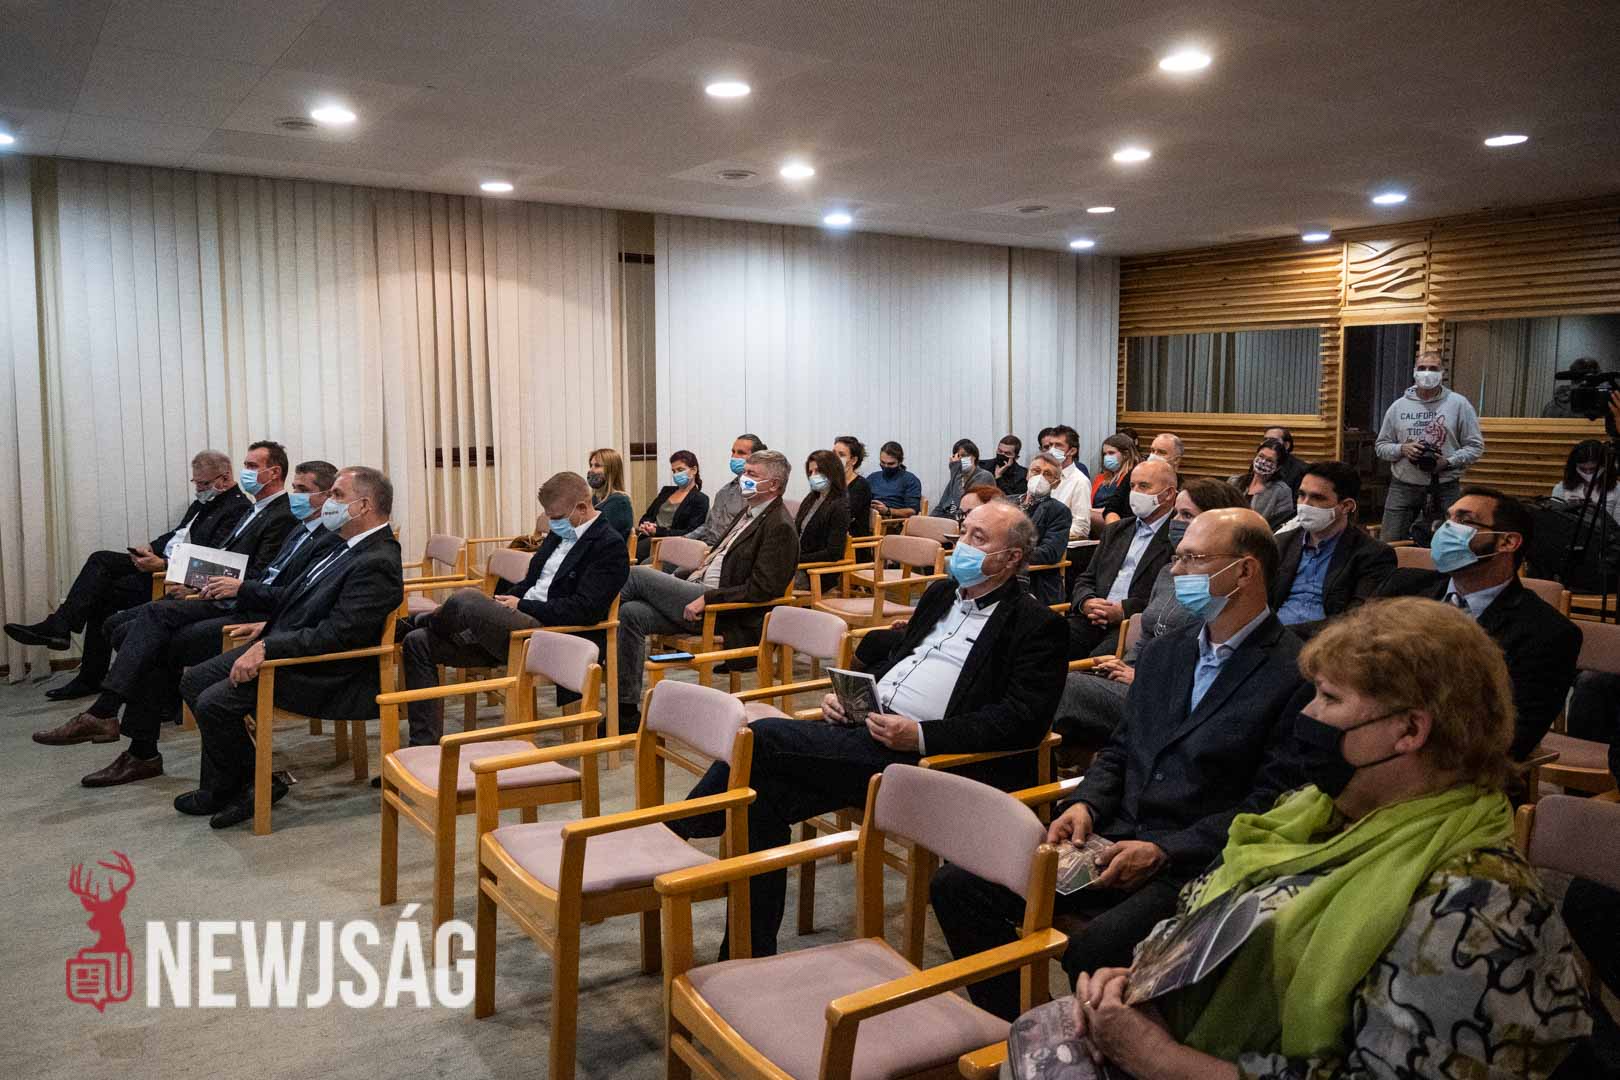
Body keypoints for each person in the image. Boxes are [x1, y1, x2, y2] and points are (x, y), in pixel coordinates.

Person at [1066, 598, 1591, 1079]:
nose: (1307, 715)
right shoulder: (1310, 811)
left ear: (1410, 730)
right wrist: (1147, 981)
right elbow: (1212, 928)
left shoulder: (1479, 906)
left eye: (1329, 698)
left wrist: (1160, 1060)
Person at [933, 507, 1310, 1021]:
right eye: (1178, 557)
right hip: (1112, 834)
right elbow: (1121, 746)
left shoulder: (1293, 673)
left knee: (1094, 949)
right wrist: (1086, 803)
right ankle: (1018, 1024)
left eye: (1193, 559)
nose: (1176, 570)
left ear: (1244, 571)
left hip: (1195, 862)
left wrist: (1165, 850)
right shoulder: (1166, 652)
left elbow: (1273, 803)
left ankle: (1099, 1042)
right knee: (958, 885)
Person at [675, 498, 1066, 958]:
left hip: (930, 760)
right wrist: (850, 700)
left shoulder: (1036, 625)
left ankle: (676, 833)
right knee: (762, 800)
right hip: (870, 731)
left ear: (1011, 558)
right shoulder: (942, 594)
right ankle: (745, 953)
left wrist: (920, 735)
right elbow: (901, 660)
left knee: (762, 735)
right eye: (963, 532)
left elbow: (1022, 721)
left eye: (977, 538)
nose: (961, 544)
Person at [33, 461, 340, 778]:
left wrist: (238, 589)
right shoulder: (300, 530)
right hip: (238, 599)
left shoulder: (323, 537)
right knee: (144, 631)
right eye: (295, 488)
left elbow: (298, 596)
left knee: (154, 634)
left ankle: (128, 737)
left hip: (256, 616)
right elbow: (264, 574)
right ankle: (125, 733)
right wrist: (203, 582)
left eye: (302, 490)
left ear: (328, 496)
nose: (294, 495)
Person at [176, 466, 405, 829]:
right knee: (194, 682)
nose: (328, 503)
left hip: (325, 670)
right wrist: (266, 630)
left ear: (363, 506)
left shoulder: (378, 561)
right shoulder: (342, 543)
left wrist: (269, 647)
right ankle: (237, 784)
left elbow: (339, 634)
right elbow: (303, 598)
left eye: (337, 496)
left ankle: (248, 787)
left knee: (214, 702)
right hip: (290, 646)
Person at [400, 471, 628, 746]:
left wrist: (521, 605)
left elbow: (585, 609)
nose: (552, 523)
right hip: (518, 626)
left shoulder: (609, 545)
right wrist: (503, 603)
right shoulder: (559, 535)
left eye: (557, 517)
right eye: (549, 517)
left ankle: (417, 621)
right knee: (417, 642)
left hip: (553, 633)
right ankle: (424, 746)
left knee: (466, 599)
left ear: (582, 507)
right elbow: (531, 583)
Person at [6, 449, 250, 699]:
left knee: (101, 580)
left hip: (175, 576)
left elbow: (211, 559)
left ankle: (66, 635)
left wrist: (163, 564)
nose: (198, 488)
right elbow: (177, 534)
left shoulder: (237, 508)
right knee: (100, 574)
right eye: (195, 482)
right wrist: (150, 549)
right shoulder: (204, 501)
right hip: (162, 563)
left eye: (204, 483)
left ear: (224, 477)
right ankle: (74, 651)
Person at [1378, 487, 1579, 760]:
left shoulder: (1547, 633)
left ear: (1507, 541)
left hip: (1454, 764)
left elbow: (1513, 738)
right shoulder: (1403, 587)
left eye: (1465, 520)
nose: (1447, 529)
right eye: (1448, 518)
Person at [1053, 478, 1246, 750]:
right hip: (1132, 676)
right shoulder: (1169, 571)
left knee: (1063, 688)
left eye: (1187, 515)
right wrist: (1126, 666)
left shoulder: (1225, 583)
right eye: (1176, 513)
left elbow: (1208, 660)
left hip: (1168, 695)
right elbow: (1147, 634)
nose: (1175, 522)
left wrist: (1142, 676)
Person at [615, 450, 799, 730]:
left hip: (721, 611)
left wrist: (708, 598)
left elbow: (763, 589)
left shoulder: (780, 526)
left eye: (752, 474)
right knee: (630, 612)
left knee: (637, 575)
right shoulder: (749, 513)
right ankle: (626, 711)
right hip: (698, 591)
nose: (744, 478)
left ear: (773, 484)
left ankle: (592, 632)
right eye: (745, 472)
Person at [1065, 458, 1176, 658]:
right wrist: (1086, 601)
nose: (1135, 492)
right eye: (1132, 486)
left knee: (1093, 666)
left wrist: (1123, 610)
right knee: (1043, 646)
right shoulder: (1116, 530)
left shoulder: (1176, 539)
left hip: (1132, 624)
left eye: (1144, 486)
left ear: (1168, 494)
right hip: (1091, 618)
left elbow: (1167, 598)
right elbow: (1086, 578)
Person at [1271, 460, 1396, 634]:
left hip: (1328, 641)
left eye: (1317, 498)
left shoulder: (1373, 555)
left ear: (1346, 506)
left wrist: (1287, 634)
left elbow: (1357, 619)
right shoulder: (1280, 543)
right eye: (1301, 495)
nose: (1305, 504)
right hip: (1271, 637)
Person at [1375, 350, 1486, 542]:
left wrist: (1449, 461)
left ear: (1442, 372)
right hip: (1403, 485)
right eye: (1422, 368)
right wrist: (1402, 449)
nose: (1427, 373)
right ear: (1414, 371)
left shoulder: (1459, 404)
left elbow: (1475, 447)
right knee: (1390, 542)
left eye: (1433, 368)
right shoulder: (1398, 407)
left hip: (1445, 486)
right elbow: (1381, 446)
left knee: (1452, 543)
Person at [687, 434, 767, 546]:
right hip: (705, 545)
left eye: (741, 453)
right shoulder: (724, 491)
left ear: (756, 457)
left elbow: (748, 534)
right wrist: (684, 539)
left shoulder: (757, 493)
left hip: (726, 549)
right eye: (733, 452)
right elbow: (708, 526)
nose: (734, 456)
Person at [634, 451, 710, 561]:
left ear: (694, 470)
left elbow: (690, 532)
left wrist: (657, 531)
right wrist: (646, 525)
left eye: (680, 470)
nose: (676, 474)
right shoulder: (666, 491)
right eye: (673, 471)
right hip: (647, 539)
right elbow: (647, 516)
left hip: (670, 545)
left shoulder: (700, 499)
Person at [1020, 457, 1073, 606]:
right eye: (1036, 471)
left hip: (1035, 581)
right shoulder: (1007, 503)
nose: (1040, 477)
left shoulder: (1059, 511)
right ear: (1027, 474)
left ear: (1056, 483)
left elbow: (1049, 552)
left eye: (1047, 474)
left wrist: (1010, 555)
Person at [792, 449, 852, 581]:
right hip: (797, 563)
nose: (813, 476)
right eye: (810, 472)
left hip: (815, 572)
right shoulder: (811, 498)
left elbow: (833, 553)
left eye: (818, 471)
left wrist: (796, 559)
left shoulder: (840, 506)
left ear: (832, 472)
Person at [1102, 432, 1182, 523]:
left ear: (1176, 460)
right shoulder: (1134, 474)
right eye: (1152, 451)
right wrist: (1116, 528)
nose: (1154, 455)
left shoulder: (1181, 489)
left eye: (1161, 452)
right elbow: (1111, 507)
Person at [1037, 425, 1094, 539]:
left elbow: (1081, 528)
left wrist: (1049, 536)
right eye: (1050, 445)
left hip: (1058, 542)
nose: (1052, 450)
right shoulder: (1041, 475)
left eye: (1058, 445)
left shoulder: (1080, 481)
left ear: (1072, 451)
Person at [1228, 437, 1295, 530]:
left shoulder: (1282, 492)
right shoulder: (1234, 481)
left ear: (1278, 467)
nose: (1263, 462)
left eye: (1269, 460)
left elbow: (1281, 525)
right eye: (1261, 456)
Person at [1551, 438, 1620, 525]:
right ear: (1574, 467)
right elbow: (1553, 521)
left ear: (1605, 466)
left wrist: (1595, 512)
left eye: (1593, 469)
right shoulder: (1561, 488)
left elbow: (1617, 527)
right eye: (1582, 469)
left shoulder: (1617, 490)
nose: (1588, 473)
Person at [930, 438, 994, 519]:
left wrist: (955, 469)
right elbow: (942, 505)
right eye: (957, 456)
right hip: (948, 518)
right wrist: (929, 519)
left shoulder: (984, 476)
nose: (960, 460)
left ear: (974, 457)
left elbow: (962, 505)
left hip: (965, 518)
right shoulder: (957, 476)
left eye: (964, 456)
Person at [867, 440, 922, 520]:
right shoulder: (873, 478)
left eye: (891, 464)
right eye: (883, 462)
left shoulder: (910, 480)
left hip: (895, 522)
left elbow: (912, 511)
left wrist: (888, 511)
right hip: (871, 517)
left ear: (900, 462)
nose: (886, 466)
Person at [585, 447, 633, 539]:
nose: (591, 470)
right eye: (591, 465)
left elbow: (598, 535)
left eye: (597, 465)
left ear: (611, 470)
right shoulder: (595, 498)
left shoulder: (619, 501)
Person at [834, 435, 873, 537]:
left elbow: (844, 517)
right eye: (833, 453)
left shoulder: (861, 486)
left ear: (853, 460)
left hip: (853, 540)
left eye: (841, 455)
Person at [1091, 432, 1139, 507]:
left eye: (1111, 453)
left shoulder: (1132, 479)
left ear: (1125, 454)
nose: (1106, 457)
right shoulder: (1100, 478)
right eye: (1104, 454)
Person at [1262, 425, 1307, 494]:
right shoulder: (1259, 463)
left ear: (1286, 445)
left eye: (1272, 440)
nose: (1267, 444)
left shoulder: (1301, 470)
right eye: (1265, 440)